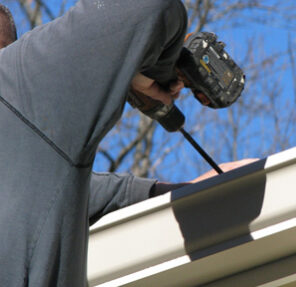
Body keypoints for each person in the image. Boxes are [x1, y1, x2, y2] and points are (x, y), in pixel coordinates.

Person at [0, 1, 255, 286]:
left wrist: (215, 189)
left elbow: (118, 196)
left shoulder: (34, 176)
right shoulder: (14, 86)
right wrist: (147, 73)